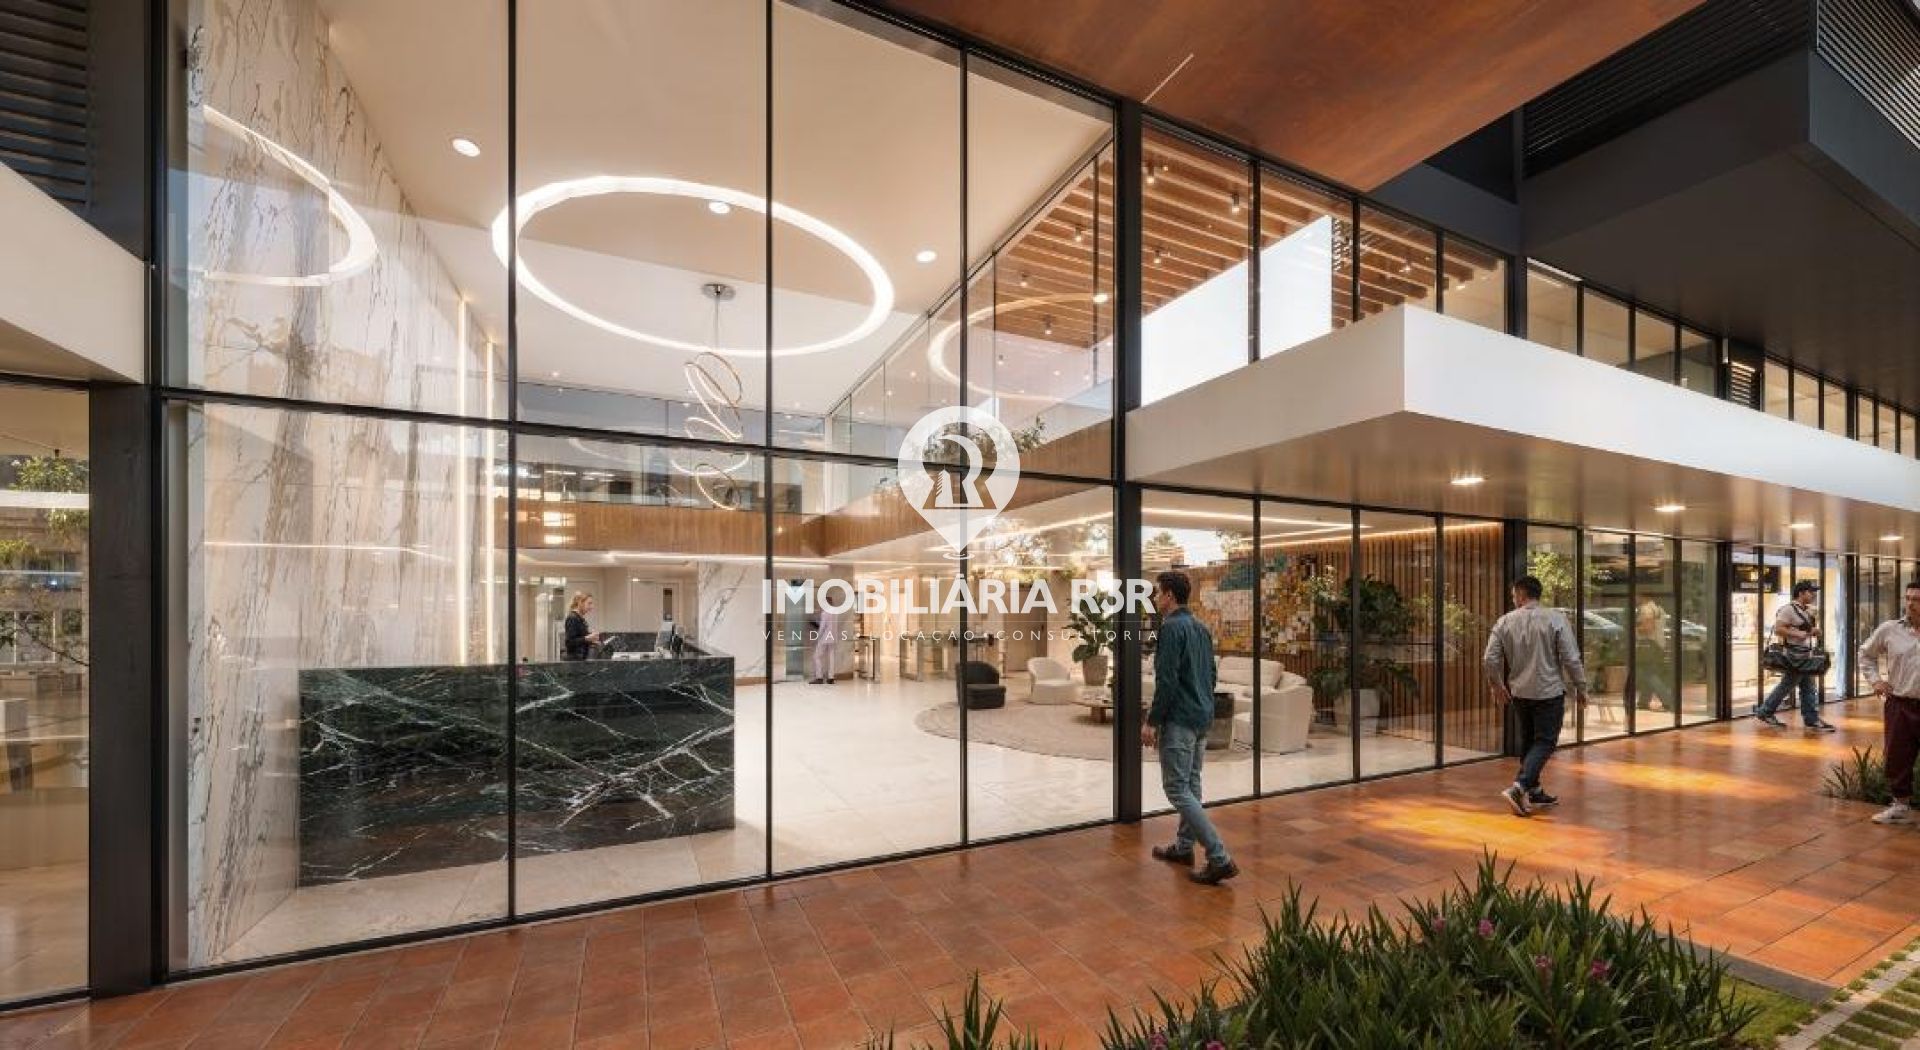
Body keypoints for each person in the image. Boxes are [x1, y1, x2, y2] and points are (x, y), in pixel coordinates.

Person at [1144, 570, 1237, 885]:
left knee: (1176, 789)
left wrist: (1152, 721)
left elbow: (1167, 681)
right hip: (1201, 717)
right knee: (1191, 784)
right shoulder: (1200, 627)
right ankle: (1184, 848)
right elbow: (1211, 675)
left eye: (1158, 593)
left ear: (1169, 595)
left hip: (1180, 719)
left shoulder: (1171, 628)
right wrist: (1203, 705)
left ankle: (1219, 857)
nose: (1156, 598)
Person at [1483, 575, 1589, 817]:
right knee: (1545, 742)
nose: (1513, 599)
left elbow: (1489, 658)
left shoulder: (1504, 621)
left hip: (1519, 693)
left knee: (1530, 741)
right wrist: (1581, 687)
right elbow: (1571, 658)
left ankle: (1535, 790)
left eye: (1513, 595)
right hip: (1548, 692)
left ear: (1521, 595)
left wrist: (1496, 685)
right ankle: (1519, 787)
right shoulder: (1555, 619)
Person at [1859, 581, 1920, 824]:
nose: (1911, 604)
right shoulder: (1890, 629)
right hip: (1900, 704)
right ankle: (1900, 807)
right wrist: (1875, 681)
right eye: (1908, 598)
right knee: (1897, 756)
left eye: (1917, 600)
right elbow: (1866, 654)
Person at [1757, 580, 1836, 732]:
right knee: (1789, 685)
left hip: (1804, 655)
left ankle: (1811, 719)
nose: (1813, 595)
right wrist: (1800, 634)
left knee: (1808, 687)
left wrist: (1812, 631)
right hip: (1794, 656)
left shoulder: (1805, 610)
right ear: (1801, 593)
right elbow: (1779, 629)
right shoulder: (1788, 610)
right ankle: (1765, 711)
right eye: (1810, 592)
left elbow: (1801, 630)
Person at [563, 592, 602, 661]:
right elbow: (569, 642)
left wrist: (592, 640)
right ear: (580, 603)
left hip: (580, 659)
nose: (591, 607)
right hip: (574, 661)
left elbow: (580, 639)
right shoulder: (572, 618)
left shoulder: (580, 618)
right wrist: (587, 638)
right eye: (589, 603)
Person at [809, 605, 843, 685]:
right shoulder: (835, 613)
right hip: (833, 638)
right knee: (831, 657)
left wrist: (818, 636)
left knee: (817, 656)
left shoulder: (825, 613)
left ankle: (819, 677)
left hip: (824, 638)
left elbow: (822, 627)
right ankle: (831, 677)